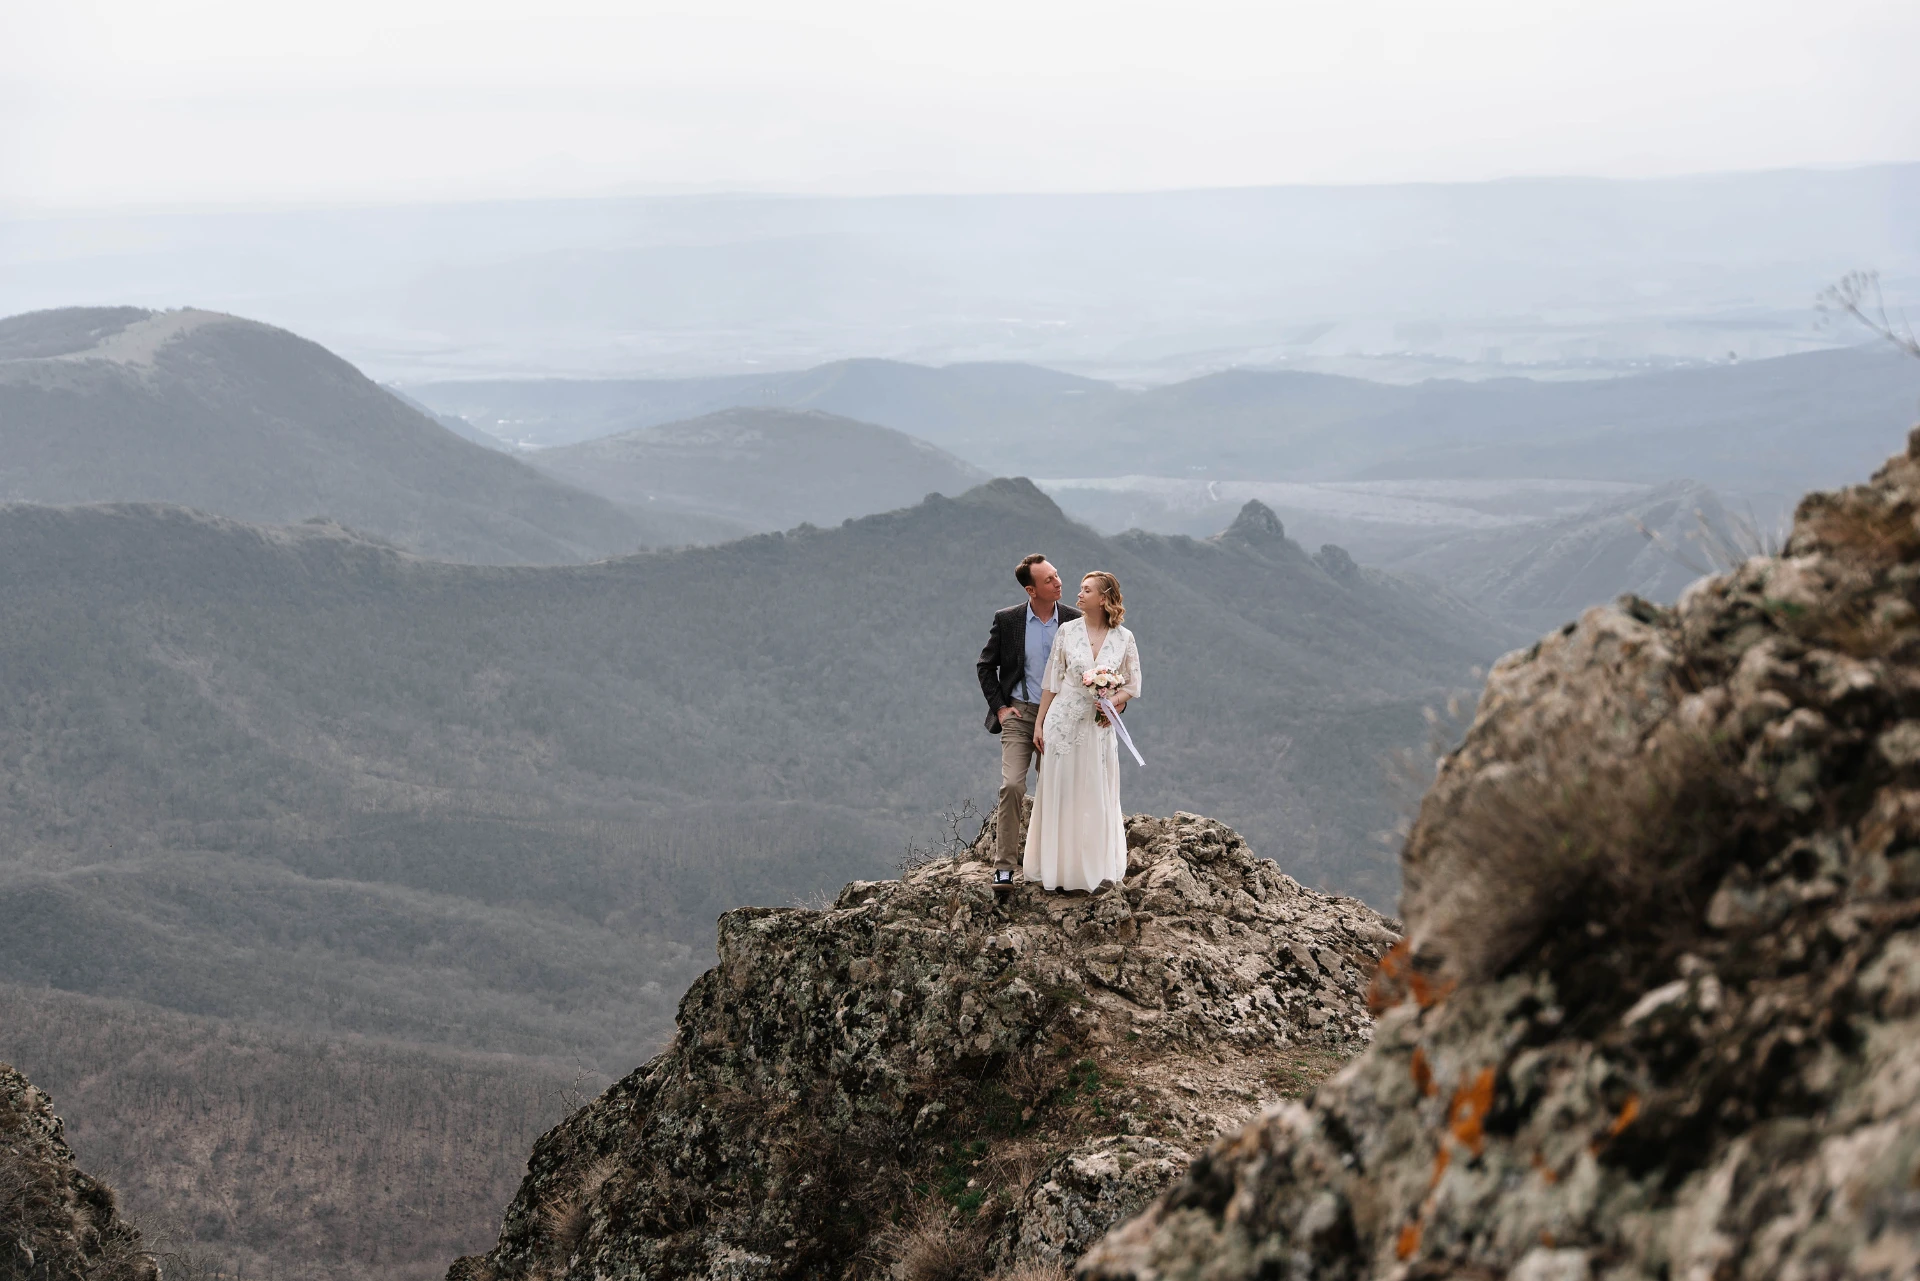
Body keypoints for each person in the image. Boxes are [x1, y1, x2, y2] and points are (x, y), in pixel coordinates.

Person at [1025, 571, 1141, 892]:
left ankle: (1092, 869)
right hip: (1062, 723)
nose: (1078, 594)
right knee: (1062, 792)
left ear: (1102, 599)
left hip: (1098, 728)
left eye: (1086, 590)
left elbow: (1132, 684)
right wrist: (1039, 723)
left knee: (1094, 793)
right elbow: (1052, 680)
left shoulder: (1124, 638)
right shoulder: (1067, 631)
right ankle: (1059, 870)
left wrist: (1112, 703)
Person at [977, 554, 1081, 890]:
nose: (1058, 582)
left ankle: (1056, 866)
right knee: (1012, 786)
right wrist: (1001, 708)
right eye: (1049, 579)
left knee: (1056, 789)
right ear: (1031, 590)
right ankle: (1004, 868)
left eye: (1056, 574)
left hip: (1060, 716)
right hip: (1020, 715)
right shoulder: (1008, 620)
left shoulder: (1074, 620)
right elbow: (985, 666)